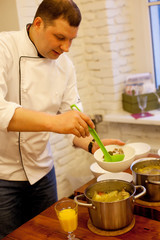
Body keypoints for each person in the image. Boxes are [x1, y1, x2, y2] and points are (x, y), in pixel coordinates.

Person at [0, 0, 124, 238]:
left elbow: (73, 119)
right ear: (38, 23)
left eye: (71, 40)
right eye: (60, 37)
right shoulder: (5, 47)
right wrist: (55, 122)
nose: (66, 47)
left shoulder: (65, 66)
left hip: (43, 173)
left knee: (49, 234)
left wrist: (92, 144)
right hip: (3, 177)